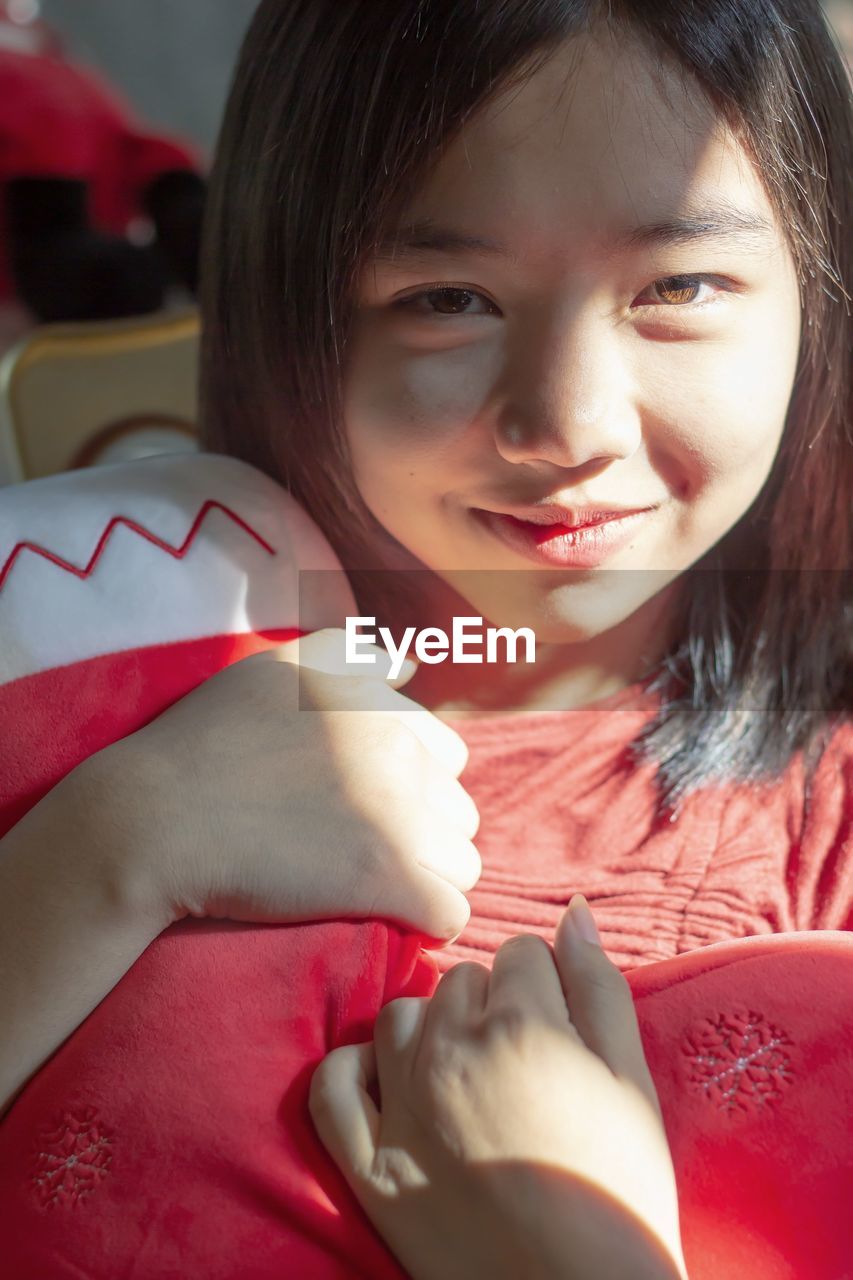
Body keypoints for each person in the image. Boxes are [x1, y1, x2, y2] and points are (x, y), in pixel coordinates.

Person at [0, 0, 850, 1275]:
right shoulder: (85, 676)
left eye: (677, 286)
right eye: (447, 296)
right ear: (295, 307)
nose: (564, 424)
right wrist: (110, 849)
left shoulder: (822, 829)